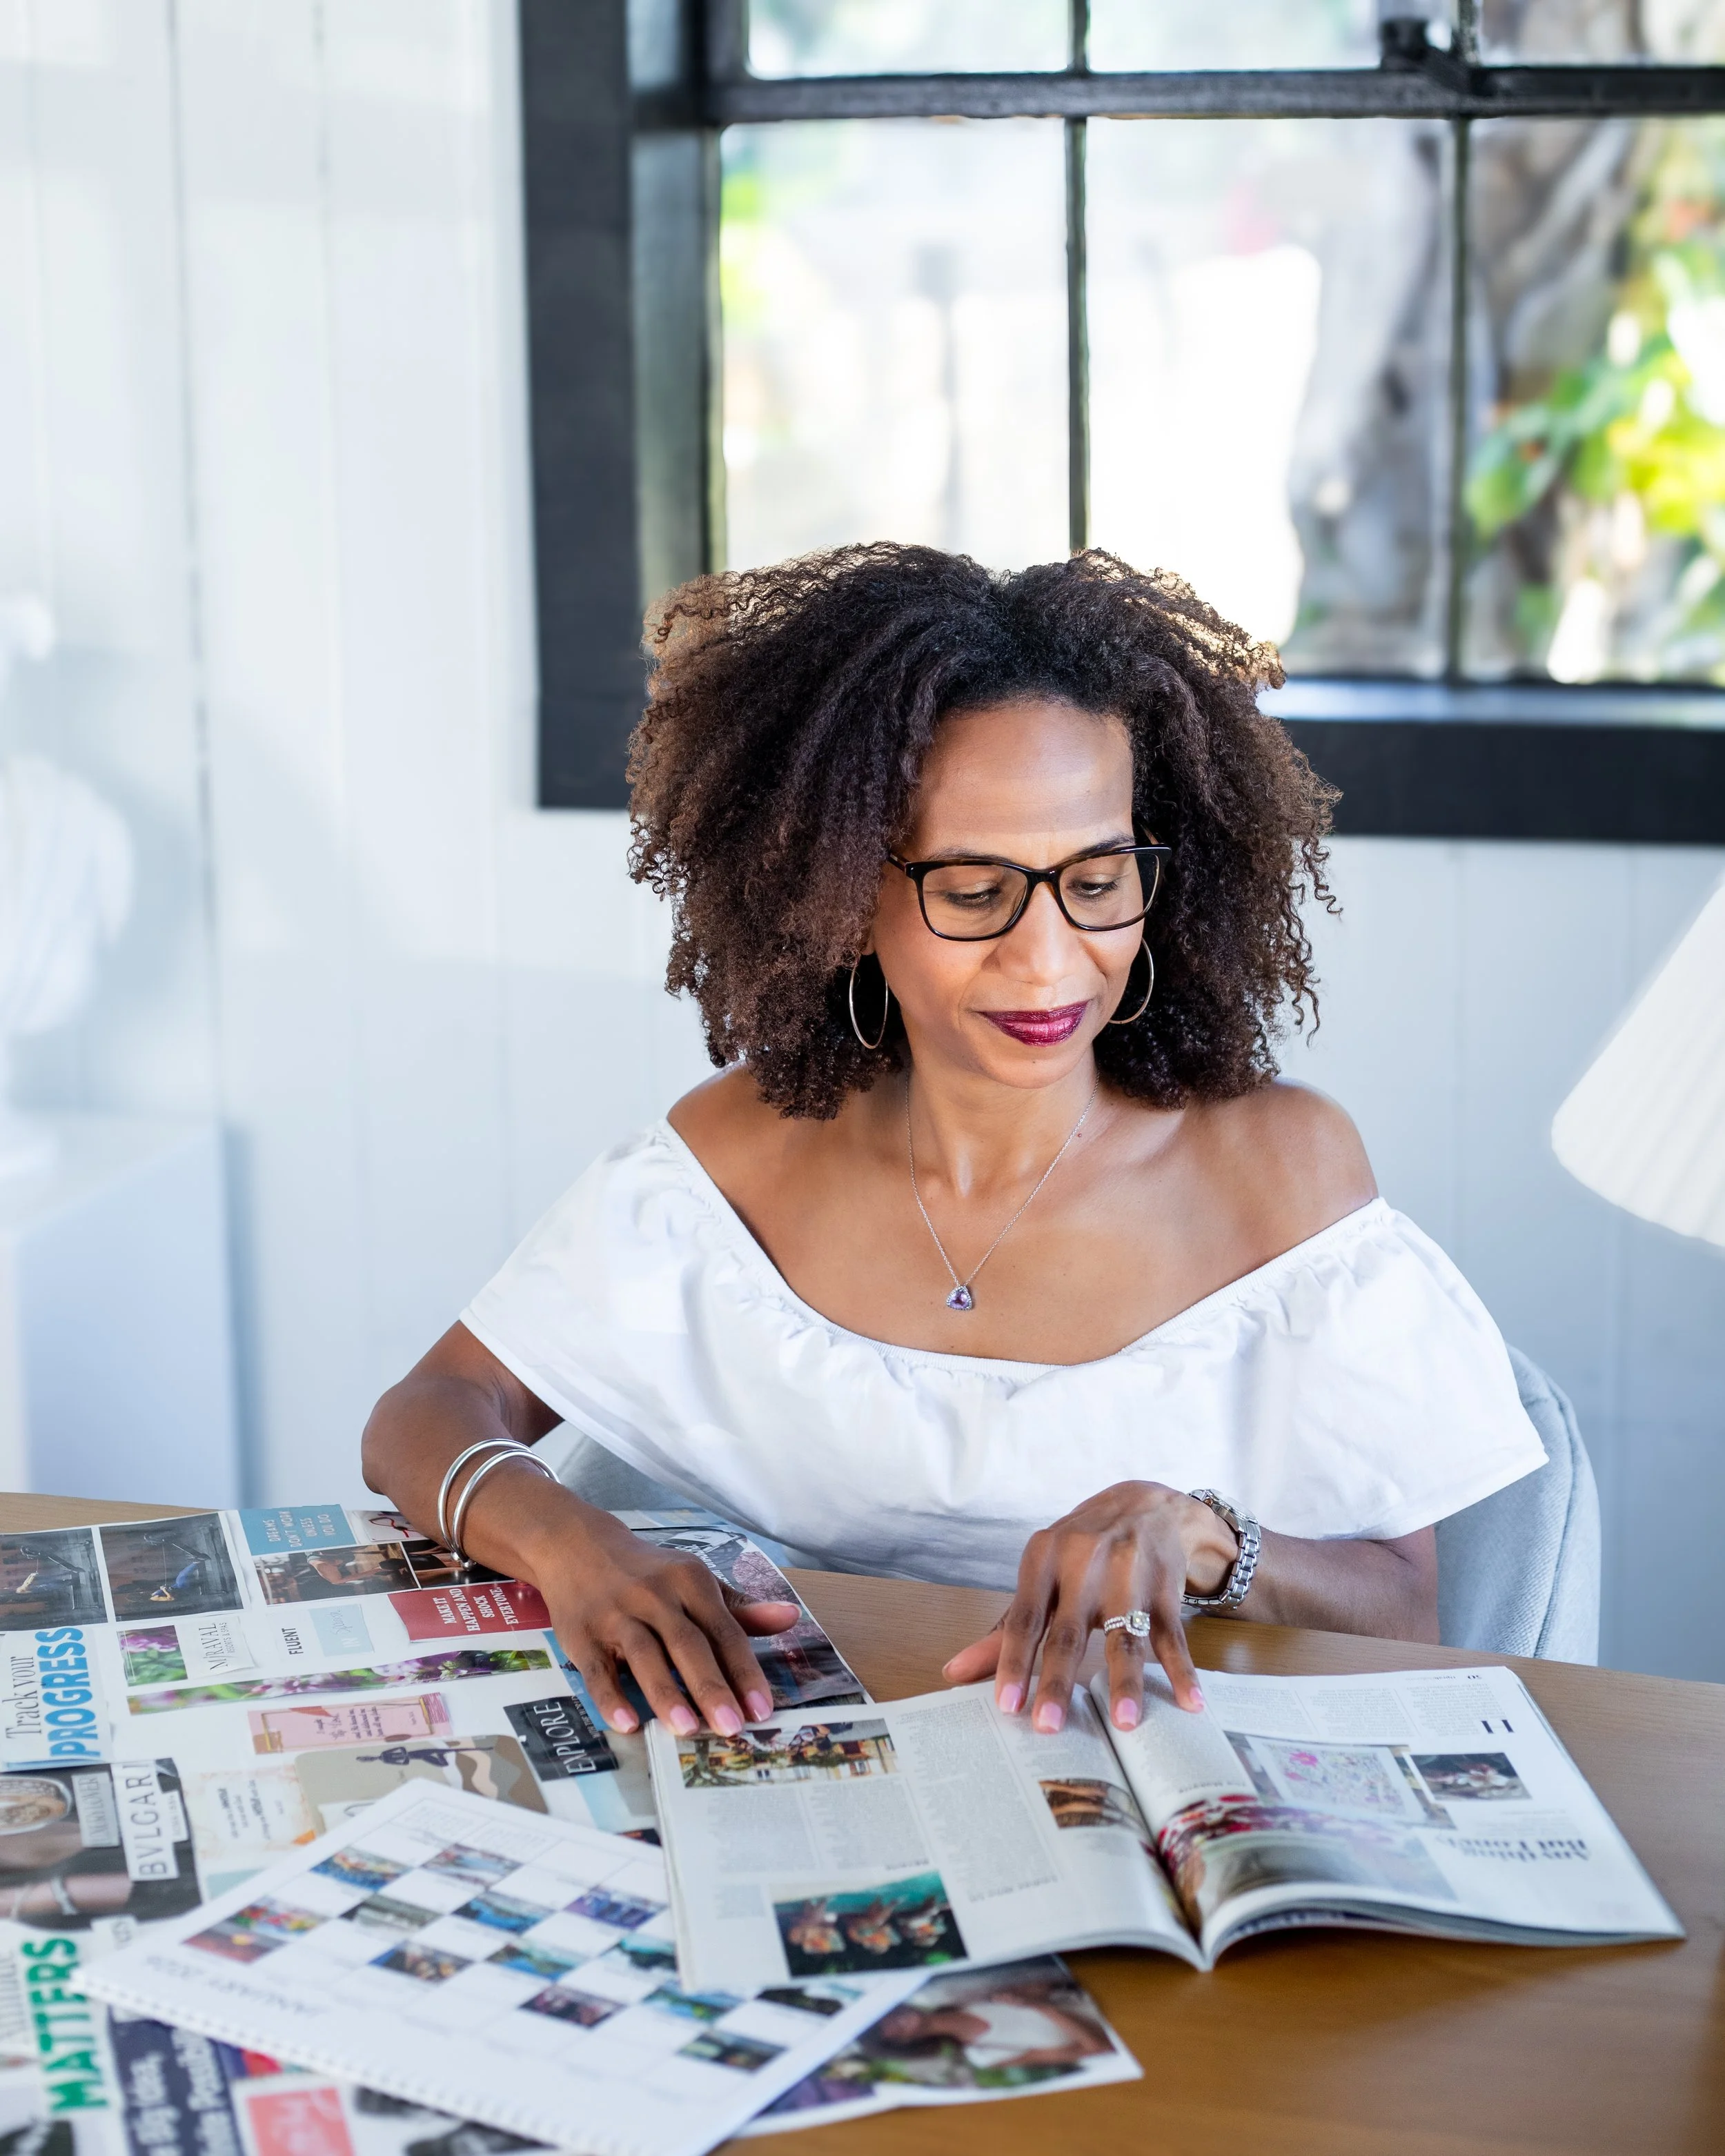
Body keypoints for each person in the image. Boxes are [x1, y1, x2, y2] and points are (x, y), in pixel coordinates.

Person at [362, 546, 1544, 1743]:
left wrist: (1206, 1536)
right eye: (976, 893)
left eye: (1098, 880)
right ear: (838, 888)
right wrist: (573, 1545)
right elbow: (428, 1409)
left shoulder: (1281, 1173)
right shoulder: (736, 1158)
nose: (1049, 961)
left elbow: (1411, 1613)